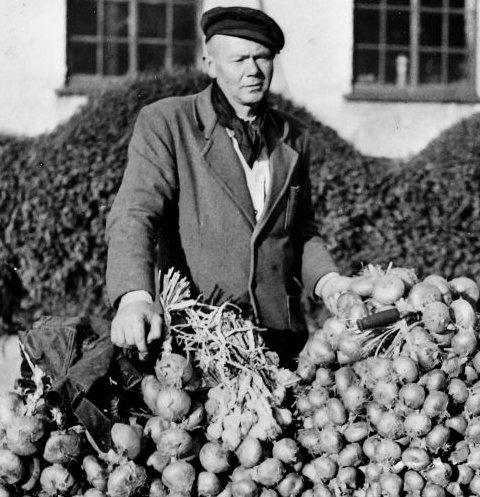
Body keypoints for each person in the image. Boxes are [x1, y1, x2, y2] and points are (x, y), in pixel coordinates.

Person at [106, 6, 350, 360]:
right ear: (209, 63)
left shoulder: (294, 137)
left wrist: (329, 283)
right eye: (239, 60)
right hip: (201, 340)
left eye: (262, 58)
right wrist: (134, 298)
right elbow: (134, 214)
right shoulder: (167, 124)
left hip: (280, 339)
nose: (253, 70)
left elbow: (300, 231)